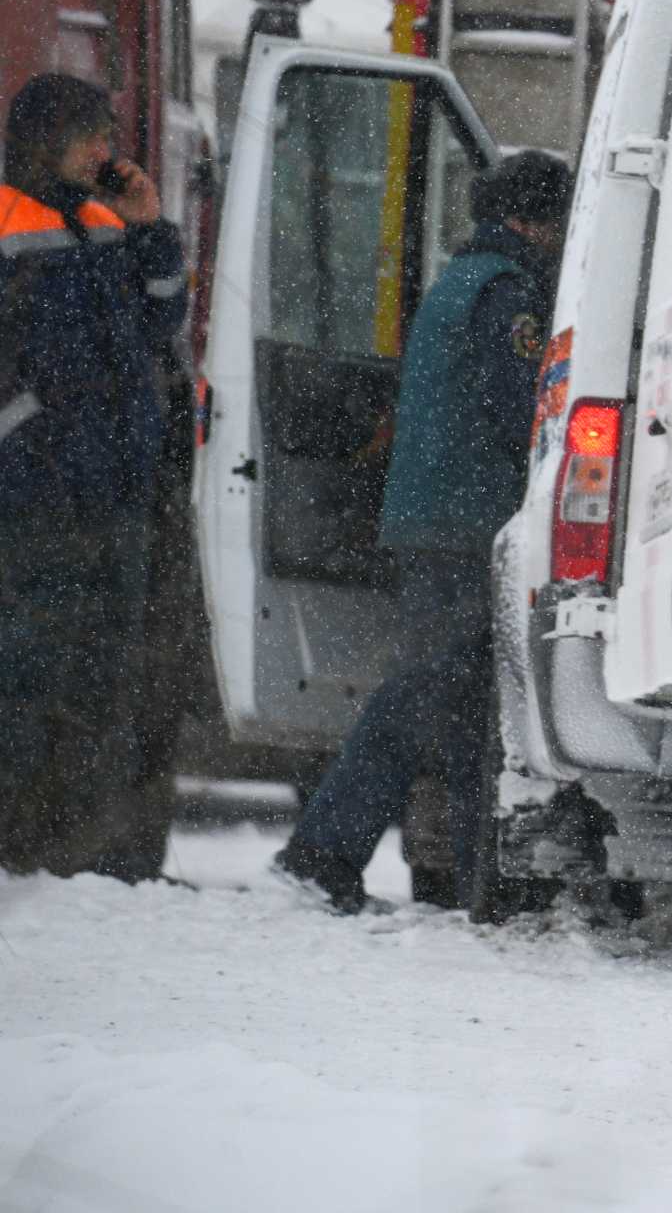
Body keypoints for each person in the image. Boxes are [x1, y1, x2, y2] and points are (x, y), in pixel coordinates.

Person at [272, 152, 571, 913]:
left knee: (471, 709)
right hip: (464, 523)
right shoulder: (509, 296)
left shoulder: (464, 280)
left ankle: (485, 876)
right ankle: (322, 852)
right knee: (424, 693)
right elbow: (525, 413)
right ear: (534, 222)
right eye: (560, 221)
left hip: (441, 516)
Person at [0, 74, 186, 876]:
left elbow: (160, 317)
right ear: (45, 142)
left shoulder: (108, 222)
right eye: (89, 136)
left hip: (116, 494)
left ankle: (87, 853)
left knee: (108, 677)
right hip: (38, 499)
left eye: (105, 133)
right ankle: (21, 844)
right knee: (32, 672)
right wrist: (37, 441)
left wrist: (153, 231)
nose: (104, 150)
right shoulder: (7, 219)